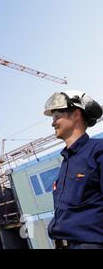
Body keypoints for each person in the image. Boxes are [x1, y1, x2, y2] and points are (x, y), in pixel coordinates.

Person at [44, 90, 103, 249]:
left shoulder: (98, 150)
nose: (53, 122)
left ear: (76, 114)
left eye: (57, 116)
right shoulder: (66, 163)